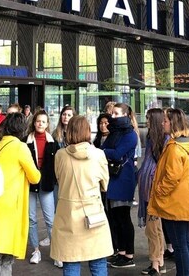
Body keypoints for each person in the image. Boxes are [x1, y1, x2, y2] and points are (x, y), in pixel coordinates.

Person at [0, 112, 41, 275]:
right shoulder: (21, 148)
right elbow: (35, 177)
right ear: (22, 130)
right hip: (12, 211)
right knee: (7, 259)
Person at [149, 108, 189, 276]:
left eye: (166, 121)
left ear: (173, 123)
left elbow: (171, 178)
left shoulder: (175, 148)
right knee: (185, 242)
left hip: (174, 202)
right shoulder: (187, 142)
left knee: (180, 244)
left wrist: (158, 192)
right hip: (184, 200)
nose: (163, 123)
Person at [51, 115, 113, 276]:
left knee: (71, 262)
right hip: (94, 216)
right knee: (98, 262)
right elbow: (105, 185)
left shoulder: (60, 155)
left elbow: (59, 178)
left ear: (69, 132)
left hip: (67, 215)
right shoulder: (99, 154)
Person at [102, 102, 139, 269]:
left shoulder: (130, 134)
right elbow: (104, 148)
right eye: (112, 113)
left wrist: (104, 152)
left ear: (125, 115)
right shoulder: (115, 132)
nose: (113, 116)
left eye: (116, 113)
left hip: (123, 179)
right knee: (115, 217)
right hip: (112, 178)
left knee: (123, 217)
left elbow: (116, 153)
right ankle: (121, 251)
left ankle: (128, 254)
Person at [137, 108, 167, 276]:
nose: (146, 121)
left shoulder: (163, 140)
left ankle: (155, 263)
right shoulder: (151, 138)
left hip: (153, 189)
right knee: (155, 226)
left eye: (148, 119)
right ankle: (159, 259)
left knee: (152, 227)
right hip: (148, 187)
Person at [25, 110, 57, 265]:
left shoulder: (53, 142)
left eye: (43, 122)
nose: (40, 124)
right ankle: (36, 251)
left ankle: (57, 252)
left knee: (50, 220)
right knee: (31, 219)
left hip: (47, 184)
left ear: (47, 124)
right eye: (38, 121)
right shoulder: (26, 141)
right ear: (34, 122)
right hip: (30, 185)